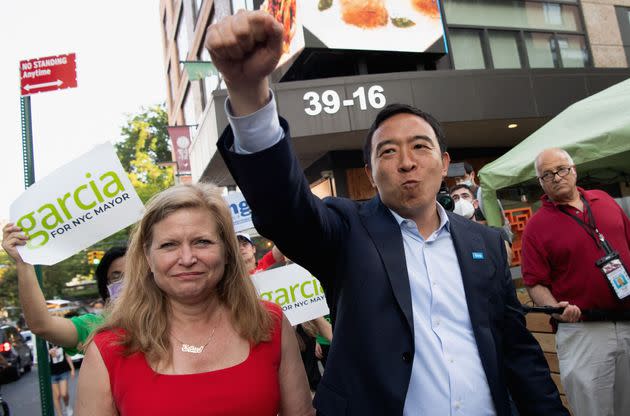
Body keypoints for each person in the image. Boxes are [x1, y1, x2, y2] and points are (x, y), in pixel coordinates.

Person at [206, 10, 567, 415]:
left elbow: (517, 350)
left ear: (444, 162)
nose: (406, 162)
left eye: (420, 147)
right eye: (388, 152)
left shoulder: (484, 242)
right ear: (371, 174)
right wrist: (249, 92)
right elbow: (284, 210)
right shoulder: (346, 231)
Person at [74, 183, 313, 416]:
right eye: (169, 245)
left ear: (227, 252)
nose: (187, 258)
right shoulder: (110, 347)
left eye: (202, 242)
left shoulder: (269, 323)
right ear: (148, 257)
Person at [521, 148, 630, 416]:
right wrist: (556, 309)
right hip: (583, 332)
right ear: (541, 183)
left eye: (561, 169)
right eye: (548, 174)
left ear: (574, 170)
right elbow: (534, 283)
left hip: (627, 322)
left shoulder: (603, 200)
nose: (557, 177)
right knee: (593, 410)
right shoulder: (536, 226)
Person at [0, 228, 126, 355]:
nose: (127, 281)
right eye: (116, 276)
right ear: (105, 286)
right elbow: (42, 325)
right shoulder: (95, 326)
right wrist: (23, 261)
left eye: (134, 273)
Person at [451, 184, 513, 261]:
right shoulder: (450, 238)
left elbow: (507, 261)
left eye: (465, 196)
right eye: (455, 198)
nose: (461, 201)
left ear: (475, 204)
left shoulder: (495, 233)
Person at [48, 343, 75, 416]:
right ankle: (60, 414)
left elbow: (67, 355)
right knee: (56, 396)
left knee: (64, 393)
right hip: (52, 373)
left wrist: (72, 368)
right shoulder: (46, 344)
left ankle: (67, 405)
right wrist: (48, 353)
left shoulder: (59, 341)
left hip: (63, 371)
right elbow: (39, 359)